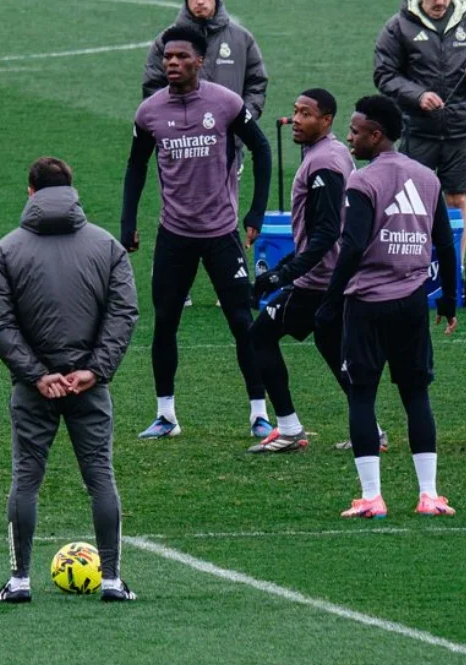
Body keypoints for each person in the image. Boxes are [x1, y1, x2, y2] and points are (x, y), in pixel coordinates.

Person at [0, 157, 139, 603]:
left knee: (25, 480)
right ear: (73, 191)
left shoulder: (7, 249)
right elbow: (123, 313)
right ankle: (111, 580)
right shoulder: (107, 247)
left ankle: (18, 582)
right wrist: (94, 370)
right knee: (100, 478)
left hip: (34, 390)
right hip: (90, 387)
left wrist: (37, 375)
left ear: (30, 191)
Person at [121, 25, 273, 440]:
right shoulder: (149, 111)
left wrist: (255, 211)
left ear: (199, 62)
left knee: (242, 321)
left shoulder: (225, 104)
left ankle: (259, 413)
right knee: (166, 322)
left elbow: (260, 148)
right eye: (168, 57)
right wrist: (128, 222)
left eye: (181, 57)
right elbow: (136, 166)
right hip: (175, 234)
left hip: (221, 232)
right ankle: (165, 415)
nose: (172, 63)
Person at [316, 95, 458, 518]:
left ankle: (372, 497)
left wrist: (329, 301)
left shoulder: (362, 182)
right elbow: (446, 244)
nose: (350, 137)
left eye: (356, 131)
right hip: (413, 302)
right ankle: (429, 495)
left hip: (367, 304)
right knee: (416, 395)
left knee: (362, 396)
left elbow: (354, 245)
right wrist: (450, 297)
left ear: (376, 135)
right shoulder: (427, 177)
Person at [247, 89, 380, 453]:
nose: (296, 119)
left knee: (260, 336)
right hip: (330, 276)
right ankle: (370, 428)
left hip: (318, 280)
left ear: (326, 120)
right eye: (295, 111)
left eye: (306, 113)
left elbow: (325, 234)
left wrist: (282, 274)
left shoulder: (324, 163)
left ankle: (289, 429)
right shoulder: (331, 153)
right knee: (331, 345)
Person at [142, 0, 268, 309]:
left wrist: (241, 120)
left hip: (227, 146)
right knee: (177, 206)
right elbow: (151, 86)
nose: (201, 1)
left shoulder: (241, 38)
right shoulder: (166, 40)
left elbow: (257, 82)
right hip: (179, 150)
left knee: (224, 211)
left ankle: (228, 283)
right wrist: (167, 123)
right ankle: (177, 283)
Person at [374, 0, 466, 268]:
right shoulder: (398, 26)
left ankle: (455, 268)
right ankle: (413, 267)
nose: (441, 3)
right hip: (418, 130)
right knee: (412, 200)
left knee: (457, 198)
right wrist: (418, 96)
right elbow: (384, 74)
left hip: (460, 130)